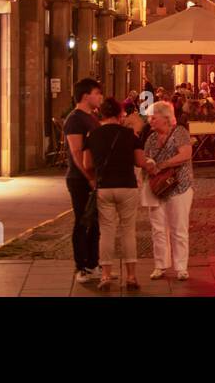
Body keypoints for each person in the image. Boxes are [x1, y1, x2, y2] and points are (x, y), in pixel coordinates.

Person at [83, 97, 148, 290]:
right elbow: (140, 162)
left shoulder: (93, 135)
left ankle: (105, 275)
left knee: (107, 232)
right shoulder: (130, 135)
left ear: (101, 114)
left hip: (104, 188)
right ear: (120, 114)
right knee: (128, 231)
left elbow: (87, 164)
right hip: (127, 186)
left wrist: (95, 178)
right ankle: (131, 276)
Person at [141, 100, 194, 280]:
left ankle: (181, 267)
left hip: (179, 185)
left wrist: (163, 165)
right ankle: (160, 265)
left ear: (165, 118)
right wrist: (148, 165)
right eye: (150, 118)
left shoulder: (180, 132)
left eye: (153, 117)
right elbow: (145, 158)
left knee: (179, 227)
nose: (150, 121)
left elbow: (185, 155)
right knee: (158, 228)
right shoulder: (151, 138)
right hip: (156, 186)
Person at [63, 78, 103, 282]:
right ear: (86, 95)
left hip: (93, 178)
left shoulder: (93, 117)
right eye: (97, 93)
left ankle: (93, 263)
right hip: (79, 179)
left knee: (95, 223)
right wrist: (89, 178)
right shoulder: (75, 119)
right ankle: (81, 267)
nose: (100, 97)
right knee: (82, 221)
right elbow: (77, 152)